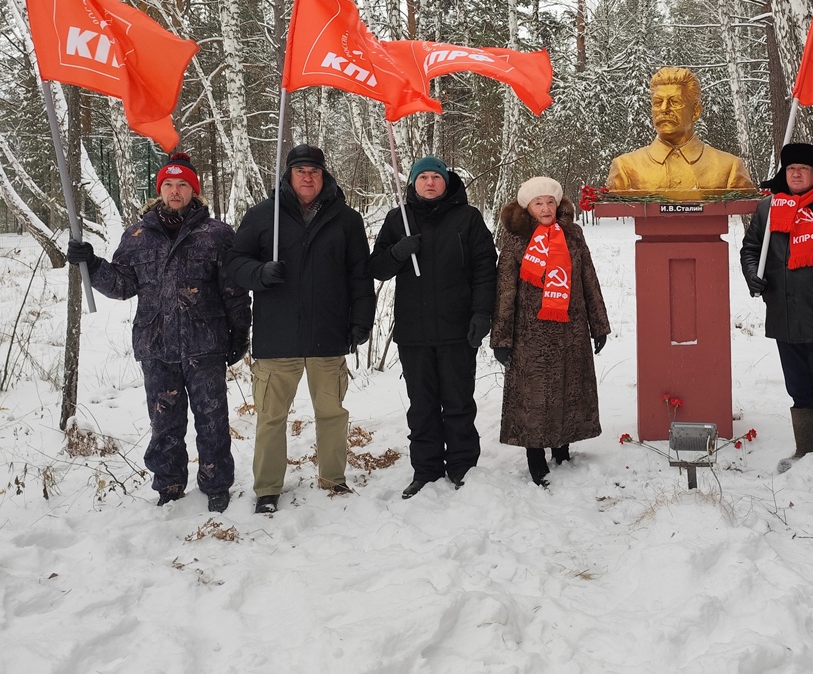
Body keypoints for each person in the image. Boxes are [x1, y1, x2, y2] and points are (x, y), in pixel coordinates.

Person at [66, 152, 250, 512]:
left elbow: (234, 290)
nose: (175, 190)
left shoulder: (216, 235)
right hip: (156, 346)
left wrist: (240, 332)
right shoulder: (136, 236)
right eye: (169, 184)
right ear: (159, 189)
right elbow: (122, 285)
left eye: (183, 184)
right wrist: (93, 263)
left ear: (194, 191)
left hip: (205, 345)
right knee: (165, 423)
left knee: (212, 420)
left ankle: (216, 485)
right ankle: (169, 487)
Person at [223, 144, 375, 514]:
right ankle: (268, 488)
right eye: (301, 170)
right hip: (278, 337)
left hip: (328, 333)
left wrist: (360, 320)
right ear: (288, 175)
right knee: (271, 418)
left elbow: (360, 275)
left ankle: (333, 478)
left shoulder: (346, 219)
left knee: (332, 413)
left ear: (324, 176)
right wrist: (259, 273)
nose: (308, 177)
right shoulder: (264, 216)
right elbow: (233, 262)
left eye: (315, 171)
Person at [369, 156, 497, 498]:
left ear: (446, 182)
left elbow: (486, 267)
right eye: (422, 177)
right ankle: (425, 470)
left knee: (458, 403)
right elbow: (377, 267)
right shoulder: (400, 219)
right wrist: (398, 251)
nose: (429, 183)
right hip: (415, 332)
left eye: (435, 177)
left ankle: (462, 467)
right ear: (413, 183)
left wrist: (482, 313)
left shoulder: (467, 219)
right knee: (422, 405)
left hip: (458, 328)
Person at [739, 143, 813, 491]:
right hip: (783, 315)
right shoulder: (768, 208)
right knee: (798, 390)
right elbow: (751, 250)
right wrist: (753, 274)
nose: (796, 173)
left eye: (803, 169)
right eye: (790, 168)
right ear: (784, 172)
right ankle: (806, 449)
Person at [491, 177, 610, 487]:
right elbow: (505, 292)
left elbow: (589, 281)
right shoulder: (516, 242)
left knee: (570, 389)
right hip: (530, 334)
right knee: (534, 396)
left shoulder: (573, 237)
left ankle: (562, 447)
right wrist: (501, 339)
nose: (545, 208)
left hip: (571, 330)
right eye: (538, 203)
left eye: (550, 202)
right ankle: (534, 454)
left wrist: (599, 325)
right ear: (528, 208)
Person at [606, 66, 755, 198]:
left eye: (675, 102)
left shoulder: (730, 168)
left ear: (696, 112)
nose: (664, 109)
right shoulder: (625, 168)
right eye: (658, 102)